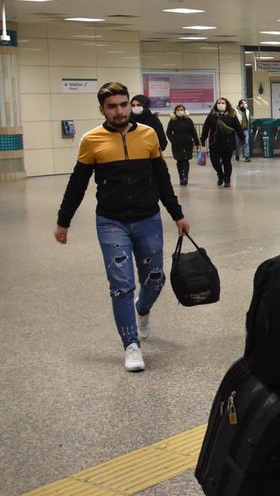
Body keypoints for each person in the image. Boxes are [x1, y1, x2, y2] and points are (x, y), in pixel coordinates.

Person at [54, 82, 190, 372]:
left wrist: (177, 214)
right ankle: (131, 345)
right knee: (121, 286)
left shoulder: (149, 135)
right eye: (112, 106)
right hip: (111, 221)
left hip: (147, 218)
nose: (120, 111)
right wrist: (63, 221)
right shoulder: (92, 141)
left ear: (131, 105)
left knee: (155, 278)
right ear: (102, 109)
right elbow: (77, 184)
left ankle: (142, 309)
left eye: (124, 105)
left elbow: (163, 180)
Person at [200, 97, 243, 187]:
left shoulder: (232, 115)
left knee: (227, 162)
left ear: (227, 105)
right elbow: (206, 127)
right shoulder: (212, 115)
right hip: (214, 143)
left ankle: (227, 179)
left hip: (228, 143)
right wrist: (203, 139)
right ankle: (220, 175)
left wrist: (242, 138)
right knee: (215, 162)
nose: (221, 104)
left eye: (223, 103)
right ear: (216, 104)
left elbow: (238, 127)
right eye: (219, 103)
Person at [166, 104, 201, 186]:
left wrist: (197, 143)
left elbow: (193, 132)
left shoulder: (188, 120)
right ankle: (181, 177)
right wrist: (172, 140)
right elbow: (168, 132)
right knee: (179, 160)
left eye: (181, 109)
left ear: (184, 111)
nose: (180, 111)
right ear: (175, 111)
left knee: (185, 160)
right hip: (176, 144)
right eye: (178, 110)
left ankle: (185, 176)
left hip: (187, 143)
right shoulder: (172, 121)